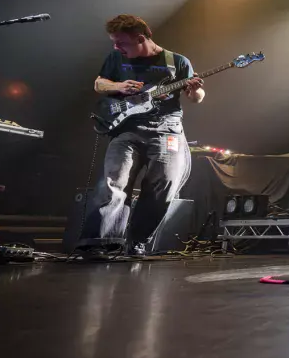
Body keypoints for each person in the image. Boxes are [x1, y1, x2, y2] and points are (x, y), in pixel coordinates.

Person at [78, 15, 204, 256]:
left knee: (164, 184)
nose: (117, 47)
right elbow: (99, 84)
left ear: (140, 38)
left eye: (121, 42)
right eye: (115, 42)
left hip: (167, 128)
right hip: (127, 127)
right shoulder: (116, 58)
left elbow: (196, 98)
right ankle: (99, 243)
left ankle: (137, 241)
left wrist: (195, 91)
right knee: (114, 182)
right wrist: (118, 86)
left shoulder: (177, 61)